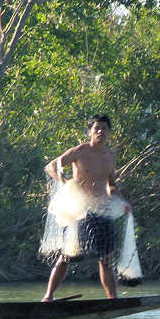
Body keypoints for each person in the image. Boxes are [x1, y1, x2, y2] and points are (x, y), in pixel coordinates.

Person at [41, 115, 130, 302]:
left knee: (106, 259)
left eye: (104, 128)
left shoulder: (110, 156)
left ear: (109, 133)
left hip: (102, 210)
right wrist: (65, 182)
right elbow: (51, 166)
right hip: (81, 211)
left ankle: (113, 300)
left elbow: (111, 185)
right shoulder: (80, 151)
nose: (100, 131)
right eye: (96, 128)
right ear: (90, 131)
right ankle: (48, 297)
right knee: (67, 256)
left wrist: (122, 202)